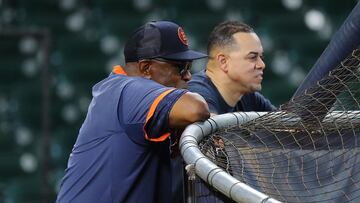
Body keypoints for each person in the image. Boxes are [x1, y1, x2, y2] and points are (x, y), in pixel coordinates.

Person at [56, 20, 210, 203]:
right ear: (145, 68)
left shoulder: (118, 89)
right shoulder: (129, 89)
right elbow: (195, 108)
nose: (187, 75)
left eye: (189, 67)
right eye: (180, 67)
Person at [187, 21, 276, 202]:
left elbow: (287, 125)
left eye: (261, 57)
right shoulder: (198, 93)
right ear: (223, 61)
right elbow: (208, 127)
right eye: (253, 57)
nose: (262, 65)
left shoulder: (247, 96)